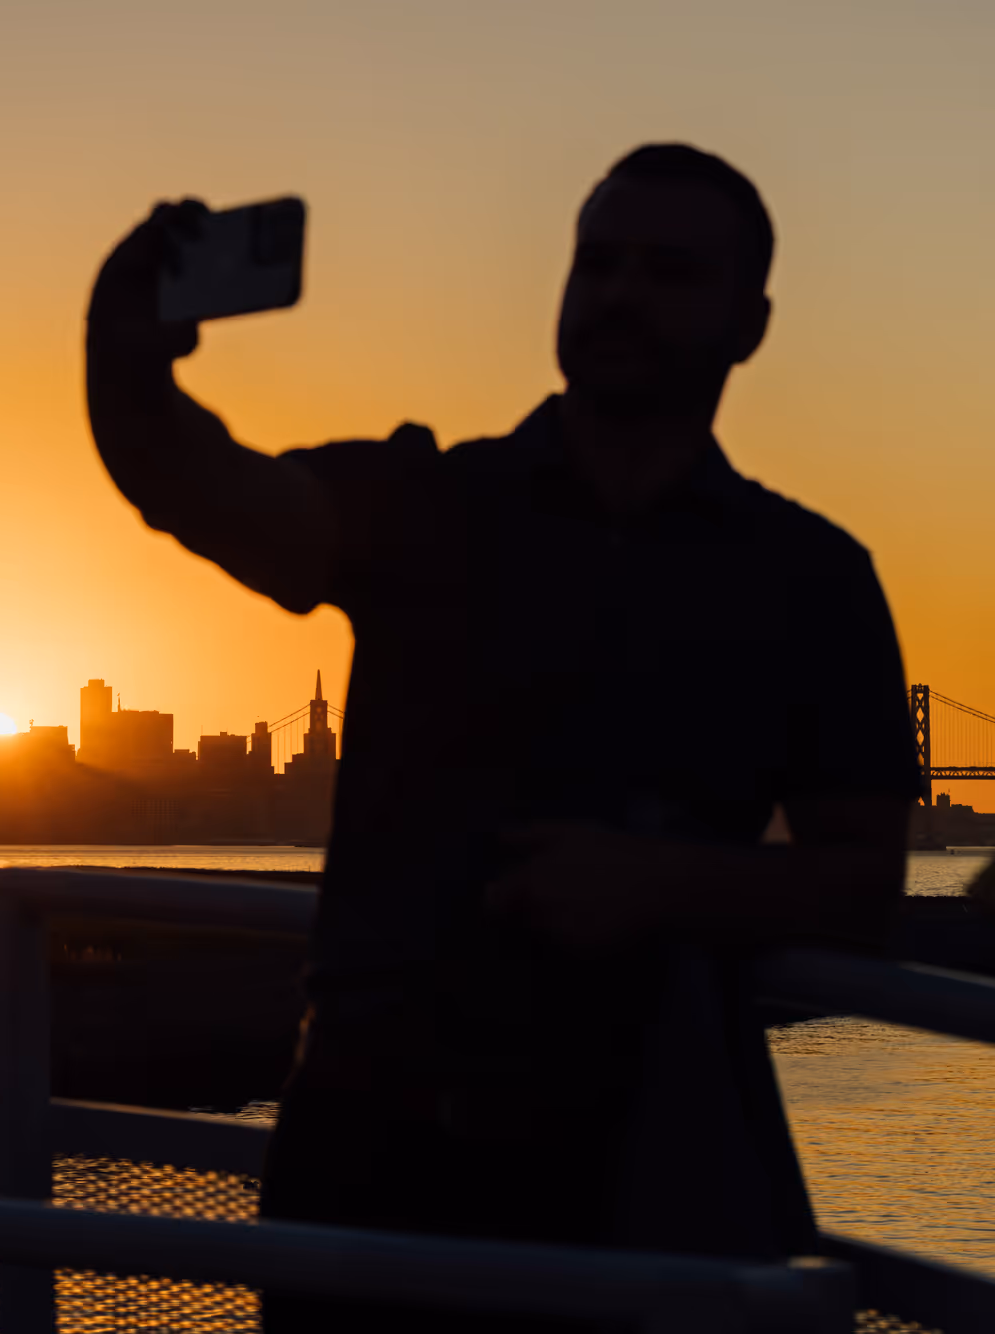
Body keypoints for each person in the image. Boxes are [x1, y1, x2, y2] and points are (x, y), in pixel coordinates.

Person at [85, 145, 919, 1331]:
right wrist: (119, 356)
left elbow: (862, 883)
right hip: (366, 1153)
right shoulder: (427, 502)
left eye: (669, 270)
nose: (620, 292)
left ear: (749, 321)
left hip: (633, 1163)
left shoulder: (811, 579)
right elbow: (195, 485)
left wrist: (659, 883)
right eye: (598, 262)